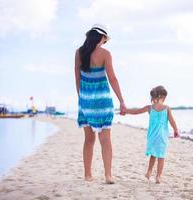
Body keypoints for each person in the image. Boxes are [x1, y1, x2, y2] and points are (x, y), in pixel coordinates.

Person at [74, 24, 126, 184]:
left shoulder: (79, 53)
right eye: (105, 39)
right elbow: (112, 78)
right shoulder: (105, 54)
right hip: (103, 102)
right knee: (105, 140)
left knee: (89, 139)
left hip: (86, 101)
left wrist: (82, 98)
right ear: (101, 38)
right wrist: (122, 101)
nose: (105, 43)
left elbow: (77, 78)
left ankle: (88, 175)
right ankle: (108, 175)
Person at [125, 86, 179, 183]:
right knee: (161, 156)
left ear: (153, 97)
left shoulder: (149, 108)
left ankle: (149, 172)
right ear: (163, 97)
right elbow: (172, 121)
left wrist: (126, 111)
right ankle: (158, 176)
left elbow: (136, 111)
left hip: (152, 136)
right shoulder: (166, 108)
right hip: (162, 136)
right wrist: (176, 130)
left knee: (153, 155)